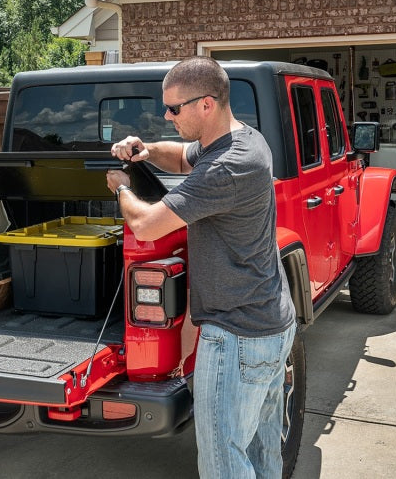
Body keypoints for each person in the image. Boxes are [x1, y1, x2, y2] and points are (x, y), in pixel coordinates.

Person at [106, 56, 296, 479]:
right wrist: (146, 150)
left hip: (237, 336)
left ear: (206, 104)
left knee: (223, 463)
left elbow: (146, 224)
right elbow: (181, 157)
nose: (166, 116)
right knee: (262, 456)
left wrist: (122, 188)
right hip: (267, 325)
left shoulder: (226, 167)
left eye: (173, 108)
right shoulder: (243, 139)